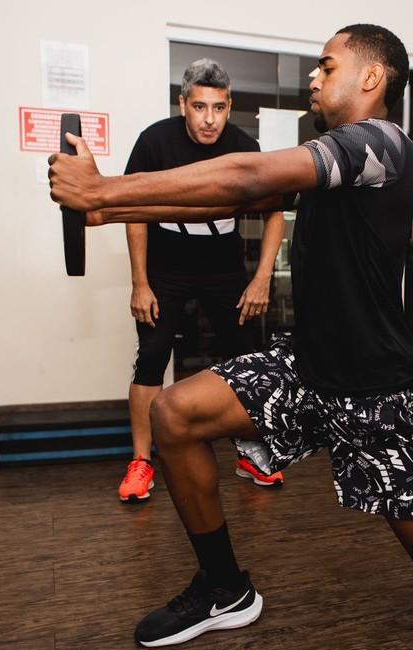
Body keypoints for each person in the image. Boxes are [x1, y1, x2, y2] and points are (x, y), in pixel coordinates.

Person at [49, 23, 413, 649]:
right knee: (175, 412)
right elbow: (223, 204)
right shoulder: (332, 156)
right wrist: (109, 211)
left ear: (372, 78)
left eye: (327, 65)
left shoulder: (381, 146)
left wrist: (105, 187)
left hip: (375, 387)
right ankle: (224, 587)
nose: (314, 77)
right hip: (309, 364)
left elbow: (242, 176)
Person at [118, 58, 287, 503]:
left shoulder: (243, 146)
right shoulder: (155, 141)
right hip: (166, 269)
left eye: (218, 107)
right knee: (151, 357)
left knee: (246, 360)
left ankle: (250, 453)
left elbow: (274, 213)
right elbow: (132, 211)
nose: (209, 119)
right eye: (199, 107)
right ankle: (141, 463)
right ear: (183, 105)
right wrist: (140, 282)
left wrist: (261, 279)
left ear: (229, 106)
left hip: (223, 269)